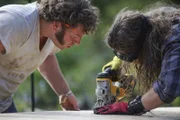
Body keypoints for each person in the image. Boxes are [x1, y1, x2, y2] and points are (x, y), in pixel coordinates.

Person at [0, 0, 99, 113]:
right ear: (57, 24)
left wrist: (64, 93)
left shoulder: (52, 33)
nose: (77, 43)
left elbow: (45, 56)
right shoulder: (15, 23)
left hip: (4, 102)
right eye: (74, 37)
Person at [95, 4, 180, 115]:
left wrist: (131, 107)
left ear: (144, 46)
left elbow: (167, 89)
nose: (130, 62)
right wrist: (117, 61)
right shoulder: (154, 23)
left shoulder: (174, 42)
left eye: (130, 57)